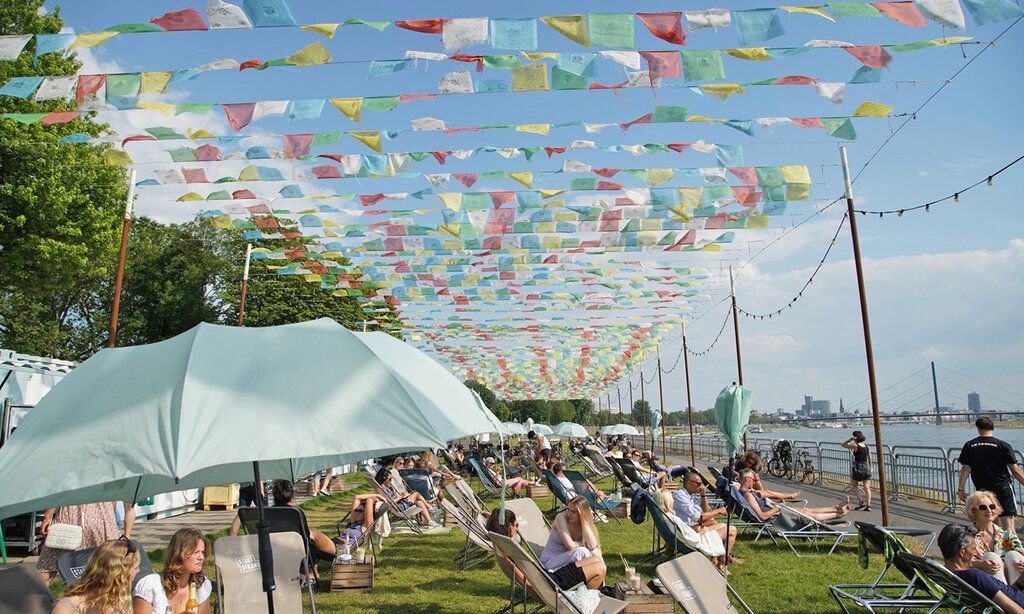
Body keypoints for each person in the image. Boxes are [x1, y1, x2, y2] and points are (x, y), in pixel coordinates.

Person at [938, 523, 1024, 613]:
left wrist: (1020, 583)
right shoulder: (974, 576)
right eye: (973, 549)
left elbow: (1008, 594)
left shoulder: (946, 574)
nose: (975, 553)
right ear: (962, 552)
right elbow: (1012, 607)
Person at [957, 416, 1024, 529]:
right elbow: (1015, 471)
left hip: (983, 491)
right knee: (1008, 525)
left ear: (978, 428)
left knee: (989, 523)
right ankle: (1008, 546)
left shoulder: (970, 445)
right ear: (993, 427)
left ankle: (992, 545)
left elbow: (965, 468)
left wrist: (961, 489)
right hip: (1002, 487)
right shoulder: (1002, 445)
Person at [37, 502, 121, 584]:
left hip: (71, 514)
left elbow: (58, 491)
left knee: (48, 566)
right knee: (106, 562)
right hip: (101, 514)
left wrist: (47, 517)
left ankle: (38, 595)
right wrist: (110, 517)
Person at [133, 528, 212, 614]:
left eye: (203, 552)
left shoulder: (201, 585)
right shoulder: (151, 586)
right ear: (180, 553)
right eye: (196, 552)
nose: (201, 557)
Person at [52, 538, 139, 614]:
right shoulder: (67, 609)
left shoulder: (119, 599)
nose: (138, 571)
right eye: (135, 568)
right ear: (119, 575)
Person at [539, 496, 608, 591]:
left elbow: (592, 545)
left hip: (567, 560)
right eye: (568, 509)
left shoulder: (581, 524)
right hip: (550, 562)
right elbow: (570, 546)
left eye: (573, 512)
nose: (569, 514)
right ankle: (593, 582)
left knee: (596, 552)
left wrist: (584, 522)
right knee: (582, 551)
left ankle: (600, 583)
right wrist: (583, 544)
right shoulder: (561, 518)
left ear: (581, 514)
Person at [656, 489, 729, 574]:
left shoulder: (663, 516)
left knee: (721, 525)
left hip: (683, 537)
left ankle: (717, 561)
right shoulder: (673, 519)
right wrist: (703, 531)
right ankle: (721, 564)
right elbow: (694, 539)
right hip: (694, 541)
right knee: (730, 530)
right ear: (668, 502)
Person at [672, 471, 739, 562]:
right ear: (689, 483)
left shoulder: (689, 496)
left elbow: (705, 512)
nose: (700, 486)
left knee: (716, 523)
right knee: (731, 530)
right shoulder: (680, 496)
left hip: (693, 527)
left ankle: (717, 558)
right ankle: (721, 561)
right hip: (688, 531)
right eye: (698, 484)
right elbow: (699, 517)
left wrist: (703, 495)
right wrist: (718, 511)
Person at [738, 469, 850, 522]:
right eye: (752, 480)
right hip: (775, 517)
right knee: (807, 515)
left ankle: (836, 509)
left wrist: (781, 503)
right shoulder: (748, 495)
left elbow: (768, 493)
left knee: (805, 510)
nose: (754, 482)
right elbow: (762, 516)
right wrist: (777, 508)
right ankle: (837, 514)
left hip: (776, 512)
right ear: (747, 479)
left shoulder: (748, 492)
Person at [964, 491, 1024, 587]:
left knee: (1014, 555)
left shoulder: (1006, 534)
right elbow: (961, 562)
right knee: (991, 557)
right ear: (973, 511)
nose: (989, 510)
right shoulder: (968, 537)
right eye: (983, 507)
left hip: (1014, 582)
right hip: (987, 585)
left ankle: (1016, 595)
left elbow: (1021, 553)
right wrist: (980, 564)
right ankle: (1005, 597)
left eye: (992, 507)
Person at [375, 467, 439, 528]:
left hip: (400, 503)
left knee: (420, 502)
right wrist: (400, 496)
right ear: (383, 478)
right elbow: (390, 502)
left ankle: (430, 522)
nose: (391, 481)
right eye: (389, 479)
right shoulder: (383, 489)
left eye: (391, 478)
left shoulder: (385, 486)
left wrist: (402, 496)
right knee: (416, 493)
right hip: (400, 507)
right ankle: (430, 508)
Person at [842, 431, 873, 511]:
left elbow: (843, 445)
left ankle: (861, 501)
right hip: (866, 469)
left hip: (858, 469)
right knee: (867, 488)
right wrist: (871, 468)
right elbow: (869, 458)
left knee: (854, 485)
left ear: (855, 437)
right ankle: (868, 505)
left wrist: (849, 440)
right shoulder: (867, 447)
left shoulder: (856, 446)